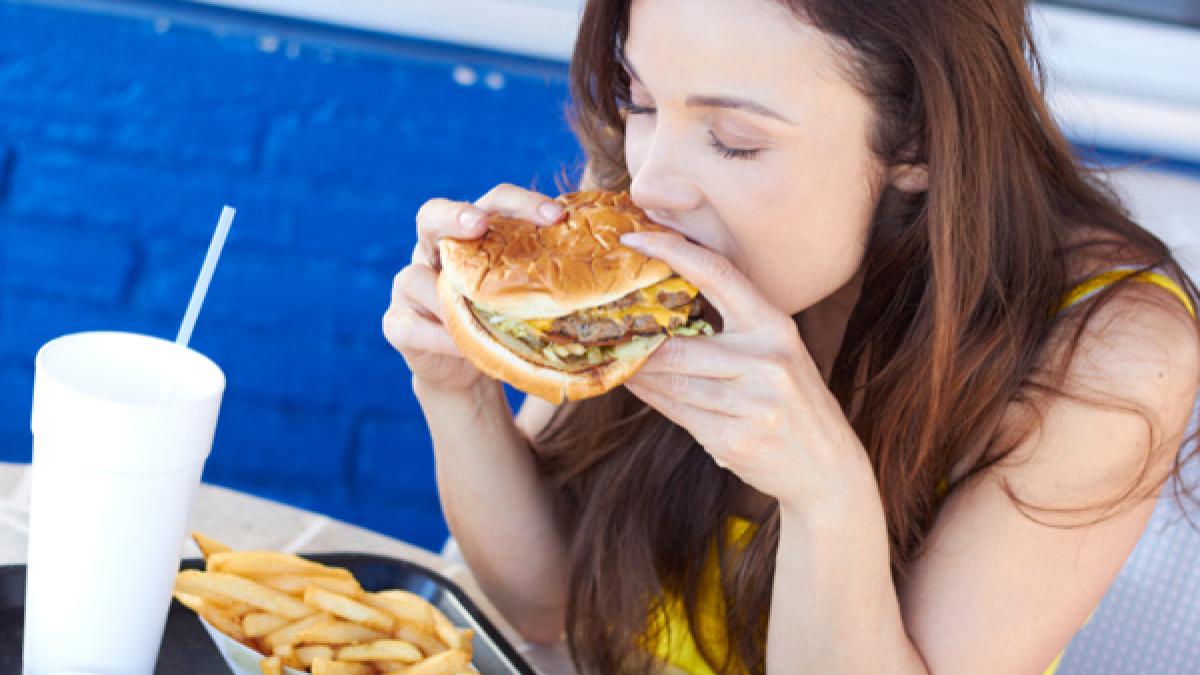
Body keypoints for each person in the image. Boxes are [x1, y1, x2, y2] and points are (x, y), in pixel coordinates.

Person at [382, 0, 1200, 672]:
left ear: (918, 139)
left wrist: (824, 494)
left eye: (735, 139)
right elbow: (542, 602)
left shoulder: (1113, 347)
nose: (652, 184)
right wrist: (457, 386)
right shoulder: (659, 190)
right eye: (641, 99)